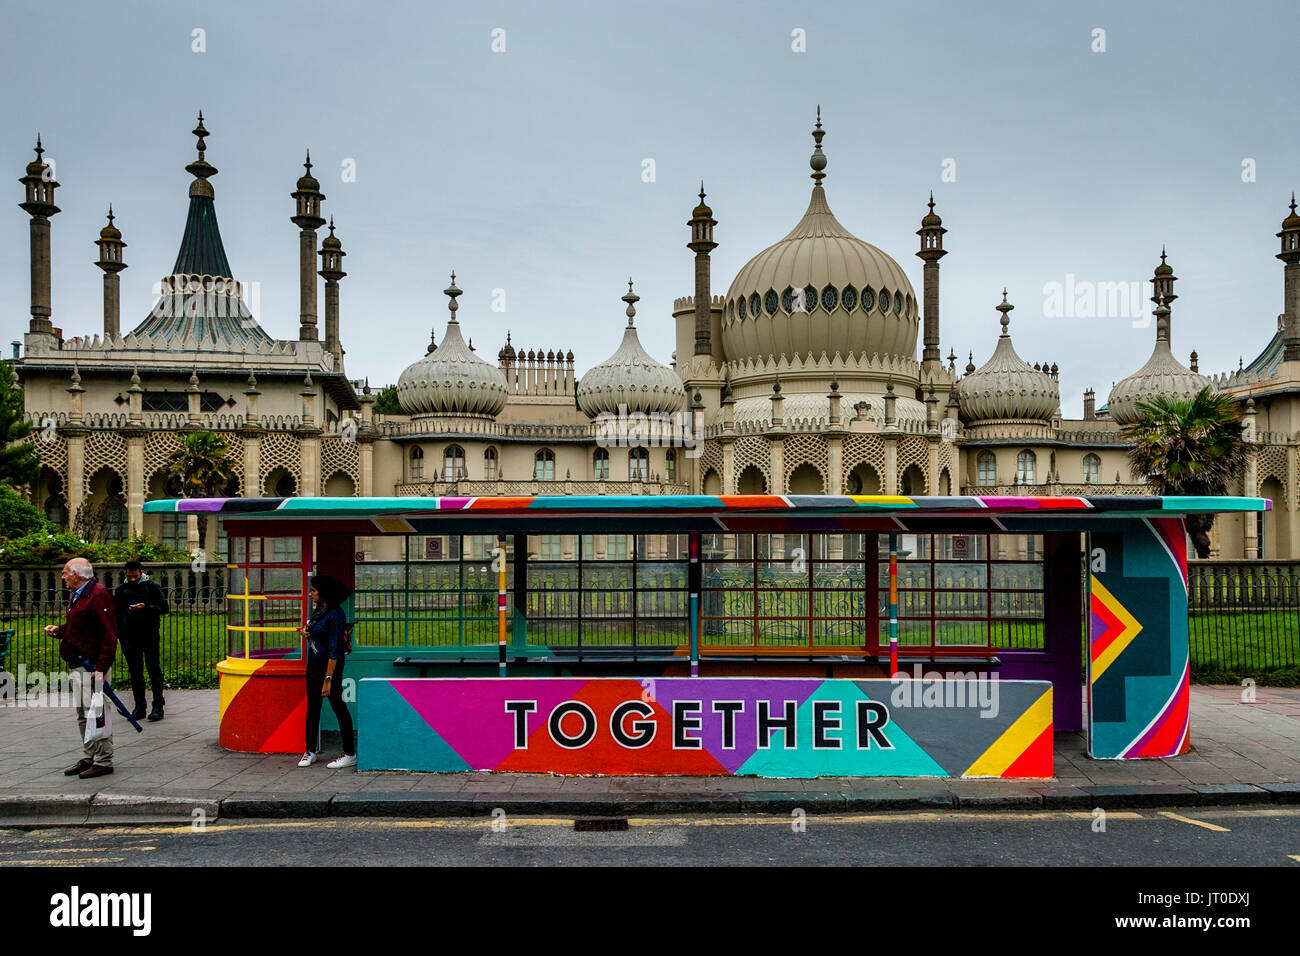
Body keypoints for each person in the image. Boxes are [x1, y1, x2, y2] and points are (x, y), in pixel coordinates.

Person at [45, 557, 119, 779]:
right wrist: (60, 630)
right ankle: (90, 755)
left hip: (91, 665)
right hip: (78, 662)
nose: (63, 576)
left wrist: (101, 667)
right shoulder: (80, 595)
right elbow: (81, 627)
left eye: (66, 572)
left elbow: (109, 635)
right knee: (83, 713)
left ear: (77, 575)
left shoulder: (97, 594)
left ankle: (103, 760)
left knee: (96, 712)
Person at [297, 574, 356, 769]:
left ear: (323, 593)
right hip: (314, 664)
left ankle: (349, 753)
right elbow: (316, 632)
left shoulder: (336, 614)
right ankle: (310, 750)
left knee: (338, 706)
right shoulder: (319, 611)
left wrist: (328, 679)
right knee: (312, 707)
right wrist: (307, 632)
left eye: (313, 590)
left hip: (331, 666)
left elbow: (335, 649)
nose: (310, 593)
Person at [113, 560, 169, 721]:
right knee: (135, 672)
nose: (132, 580)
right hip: (129, 635)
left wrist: (146, 607)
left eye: (135, 576)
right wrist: (119, 632)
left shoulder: (151, 587)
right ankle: (140, 706)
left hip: (149, 633)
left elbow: (163, 608)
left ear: (141, 573)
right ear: (125, 574)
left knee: (153, 670)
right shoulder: (121, 590)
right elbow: (117, 612)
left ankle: (158, 705)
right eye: (129, 576)